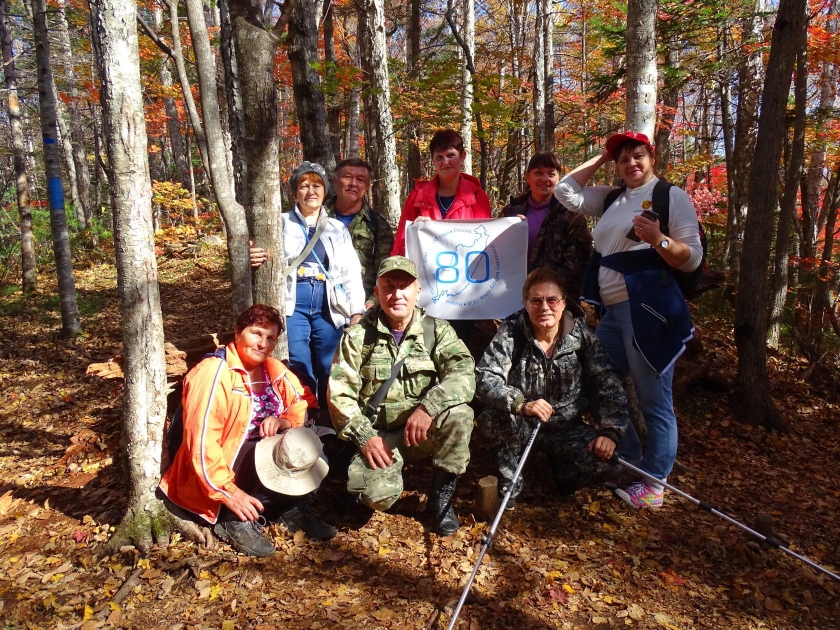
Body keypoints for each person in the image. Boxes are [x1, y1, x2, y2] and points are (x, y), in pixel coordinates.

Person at [553, 131, 703, 508]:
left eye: (638, 156)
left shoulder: (670, 196)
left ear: (652, 158)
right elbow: (565, 191)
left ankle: (654, 485)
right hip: (612, 312)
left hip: (648, 309)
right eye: (624, 159)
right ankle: (632, 461)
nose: (631, 163)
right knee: (594, 380)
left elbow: (693, 258)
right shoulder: (612, 198)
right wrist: (604, 155)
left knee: (654, 399)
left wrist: (658, 240)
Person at [159, 304, 336, 558]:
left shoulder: (272, 369)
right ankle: (232, 518)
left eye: (270, 338)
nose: (263, 343)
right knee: (262, 454)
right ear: (238, 332)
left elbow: (300, 401)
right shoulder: (214, 374)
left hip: (261, 454)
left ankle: (288, 508)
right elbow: (201, 445)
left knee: (314, 443)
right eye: (256, 333)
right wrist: (229, 494)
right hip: (217, 470)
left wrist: (284, 421)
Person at [327, 256, 475, 535]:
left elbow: (463, 373)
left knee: (460, 414)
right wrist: (365, 437)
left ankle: (441, 498)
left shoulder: (436, 331)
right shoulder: (358, 336)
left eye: (404, 287)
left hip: (422, 431)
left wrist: (429, 407)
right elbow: (339, 396)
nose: (397, 294)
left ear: (418, 291)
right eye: (389, 287)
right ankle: (376, 480)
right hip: (379, 436)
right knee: (375, 497)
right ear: (377, 292)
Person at [476, 268, 630, 508]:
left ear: (563, 302)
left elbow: (608, 380)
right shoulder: (512, 332)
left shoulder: (581, 335)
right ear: (526, 303)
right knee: (493, 419)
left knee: (607, 462)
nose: (544, 307)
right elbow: (484, 377)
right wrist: (521, 404)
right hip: (522, 423)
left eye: (552, 300)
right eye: (536, 300)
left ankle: (560, 471)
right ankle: (511, 480)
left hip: (565, 426)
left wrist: (611, 432)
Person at [251, 161, 365, 425]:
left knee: (329, 366)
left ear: (325, 191)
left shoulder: (336, 228)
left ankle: (330, 421)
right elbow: (262, 255)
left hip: (328, 305)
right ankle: (304, 419)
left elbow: (350, 272)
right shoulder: (279, 223)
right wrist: (252, 253)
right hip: (293, 303)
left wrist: (356, 310)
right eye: (304, 186)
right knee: (299, 363)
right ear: (295, 192)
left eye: (316, 185)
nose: (310, 191)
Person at [501, 152, 592, 300]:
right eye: (538, 173)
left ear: (558, 179)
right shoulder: (510, 212)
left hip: (555, 300)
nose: (544, 179)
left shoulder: (571, 214)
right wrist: (510, 230)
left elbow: (577, 265)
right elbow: (496, 255)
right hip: (510, 295)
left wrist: (540, 292)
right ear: (528, 177)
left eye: (551, 174)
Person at [390, 128, 492, 257]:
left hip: (465, 267)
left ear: (462, 156)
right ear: (433, 160)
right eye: (439, 157)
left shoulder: (477, 197)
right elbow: (401, 245)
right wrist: (418, 230)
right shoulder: (418, 196)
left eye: (450, 155)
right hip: (423, 268)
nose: (445, 162)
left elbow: (484, 242)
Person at [325, 158, 395, 309]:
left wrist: (373, 301)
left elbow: (385, 269)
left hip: (363, 305)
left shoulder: (378, 224)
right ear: (335, 180)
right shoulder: (316, 217)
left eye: (360, 180)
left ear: (367, 186)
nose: (353, 183)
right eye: (347, 177)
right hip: (320, 302)